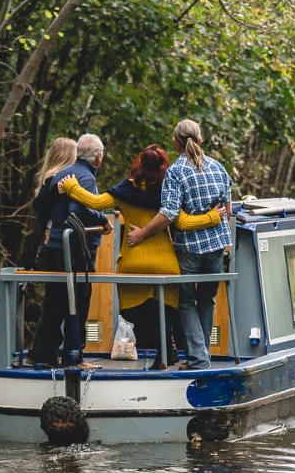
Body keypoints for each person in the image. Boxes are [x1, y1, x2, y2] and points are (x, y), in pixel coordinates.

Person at [56, 145, 228, 366]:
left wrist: (71, 187)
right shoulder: (168, 191)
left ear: (138, 164)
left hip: (133, 262)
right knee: (165, 309)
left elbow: (95, 202)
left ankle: (164, 348)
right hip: (167, 264)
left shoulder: (126, 190)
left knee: (134, 312)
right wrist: (213, 217)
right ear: (164, 167)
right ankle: (167, 350)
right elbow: (184, 222)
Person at [127, 120, 233, 370]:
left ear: (175, 143)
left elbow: (169, 213)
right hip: (217, 246)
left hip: (189, 249)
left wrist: (141, 234)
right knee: (207, 300)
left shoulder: (176, 172)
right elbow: (227, 212)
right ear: (201, 140)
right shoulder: (218, 167)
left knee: (186, 303)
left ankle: (198, 359)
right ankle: (201, 357)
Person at [30, 135, 111, 368]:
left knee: (55, 302)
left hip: (55, 246)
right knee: (79, 301)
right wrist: (102, 219)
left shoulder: (62, 174)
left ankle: (43, 354)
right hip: (75, 250)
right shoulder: (85, 177)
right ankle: (74, 355)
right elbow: (79, 211)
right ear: (98, 157)